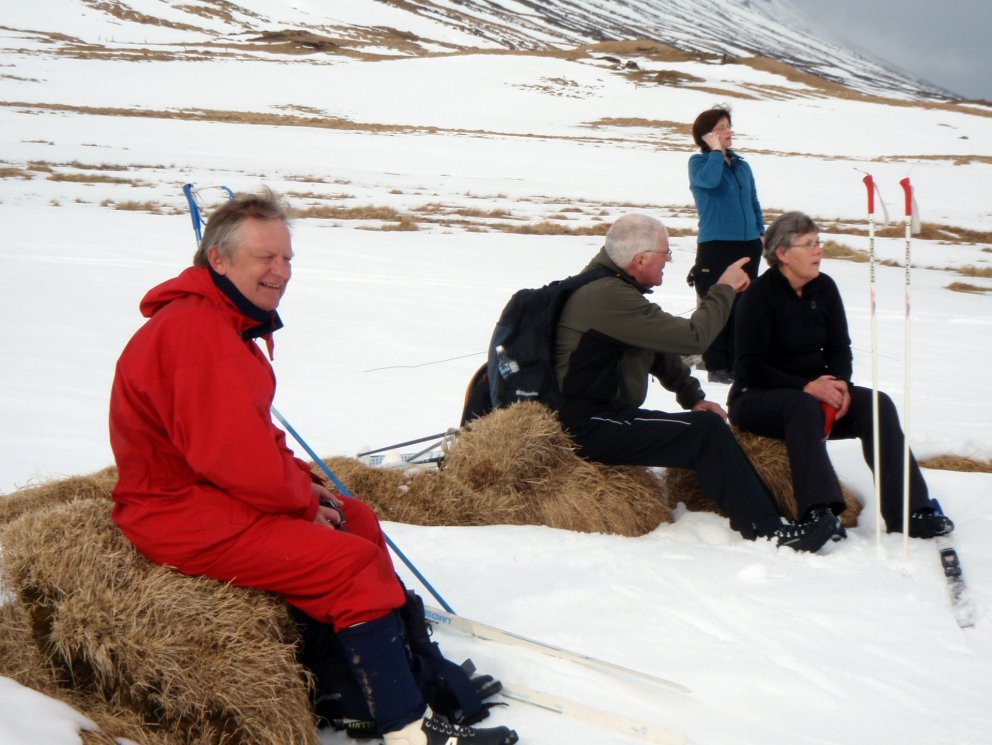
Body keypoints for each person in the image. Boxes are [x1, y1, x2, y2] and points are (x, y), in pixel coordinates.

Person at [109, 189, 518, 745]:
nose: (280, 272)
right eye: (265, 258)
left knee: (358, 519)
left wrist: (305, 484)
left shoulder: (224, 323)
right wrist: (300, 504)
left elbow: (251, 437)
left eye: (287, 259)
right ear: (219, 260)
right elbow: (232, 457)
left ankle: (388, 680)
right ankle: (407, 730)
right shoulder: (197, 334)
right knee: (347, 566)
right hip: (178, 511)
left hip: (208, 495)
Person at [553, 213, 843, 552]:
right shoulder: (606, 296)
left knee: (703, 425)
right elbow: (693, 338)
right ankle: (768, 531)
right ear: (640, 259)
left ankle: (766, 520)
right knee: (704, 432)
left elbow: (656, 349)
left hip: (599, 417)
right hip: (586, 426)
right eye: (666, 254)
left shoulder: (613, 289)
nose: (669, 261)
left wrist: (692, 397)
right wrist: (723, 289)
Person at [728, 211, 954, 538]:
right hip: (757, 397)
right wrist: (807, 387)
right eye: (808, 245)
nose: (818, 250)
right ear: (782, 254)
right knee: (801, 405)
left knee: (877, 405)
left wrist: (842, 385)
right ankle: (819, 513)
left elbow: (839, 347)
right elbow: (749, 368)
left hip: (815, 392)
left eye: (818, 242)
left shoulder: (825, 288)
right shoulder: (758, 297)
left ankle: (910, 512)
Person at [687, 105, 765, 384]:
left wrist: (760, 233)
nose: (729, 131)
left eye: (728, 126)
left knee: (744, 306)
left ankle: (738, 363)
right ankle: (717, 366)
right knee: (717, 304)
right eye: (721, 127)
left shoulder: (742, 165)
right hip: (717, 245)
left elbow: (753, 201)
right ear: (707, 135)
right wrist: (716, 153)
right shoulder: (698, 164)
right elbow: (709, 181)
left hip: (748, 245)